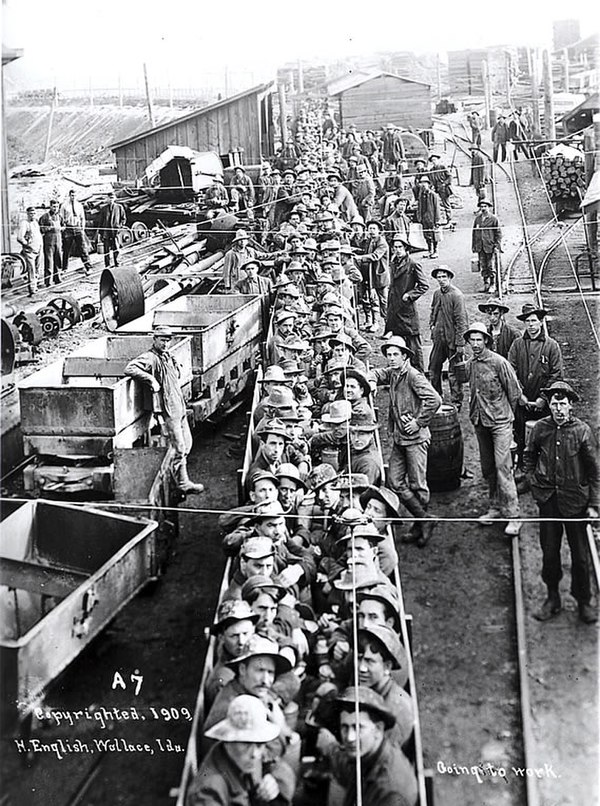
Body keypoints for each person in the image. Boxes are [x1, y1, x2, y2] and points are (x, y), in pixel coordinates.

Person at [524, 381, 599, 624]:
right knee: (549, 553)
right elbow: (528, 456)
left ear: (570, 406)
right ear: (550, 405)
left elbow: (595, 471)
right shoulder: (541, 429)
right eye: (554, 404)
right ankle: (552, 598)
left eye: (563, 404)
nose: (558, 409)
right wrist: (534, 483)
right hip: (548, 501)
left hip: (575, 503)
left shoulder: (582, 431)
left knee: (580, 556)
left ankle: (584, 600)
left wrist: (593, 504)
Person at [372, 335, 441, 547]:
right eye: (389, 355)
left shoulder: (413, 376)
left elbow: (435, 399)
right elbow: (376, 372)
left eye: (395, 355)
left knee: (418, 485)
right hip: (400, 439)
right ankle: (424, 520)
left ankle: (421, 525)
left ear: (404, 357)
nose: (391, 358)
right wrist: (373, 380)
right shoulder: (394, 374)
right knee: (393, 480)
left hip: (416, 440)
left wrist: (419, 422)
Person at [124, 325, 205, 495]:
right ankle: (179, 483)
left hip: (179, 406)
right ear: (154, 339)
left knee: (187, 444)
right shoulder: (150, 357)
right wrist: (150, 379)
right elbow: (130, 368)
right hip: (169, 410)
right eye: (162, 340)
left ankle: (178, 480)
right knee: (179, 447)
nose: (166, 343)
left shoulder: (168, 356)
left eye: (168, 340)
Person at [464, 322, 522, 536]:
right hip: (480, 422)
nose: (476, 344)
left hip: (500, 423)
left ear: (487, 340)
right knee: (488, 467)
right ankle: (495, 507)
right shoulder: (471, 364)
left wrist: (508, 419)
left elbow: (514, 392)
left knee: (502, 467)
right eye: (473, 340)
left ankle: (514, 515)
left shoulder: (499, 363)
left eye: (480, 339)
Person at [186, 694, 295, 806]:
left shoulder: (239, 759)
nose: (255, 754)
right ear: (228, 740)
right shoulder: (209, 793)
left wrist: (270, 789)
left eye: (260, 744)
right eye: (246, 743)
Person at [326, 686, 418, 806]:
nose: (349, 737)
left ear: (378, 729)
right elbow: (349, 770)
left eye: (358, 728)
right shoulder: (371, 753)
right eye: (345, 727)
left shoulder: (390, 791)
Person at [508, 303, 564, 470]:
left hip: (543, 404)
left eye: (534, 321)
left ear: (541, 322)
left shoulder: (551, 346)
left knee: (544, 437)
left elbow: (557, 375)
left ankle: (543, 471)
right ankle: (524, 470)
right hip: (523, 402)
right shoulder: (517, 345)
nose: (531, 325)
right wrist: (519, 395)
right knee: (520, 435)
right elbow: (511, 372)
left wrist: (544, 398)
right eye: (528, 321)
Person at [384, 236, 429, 372]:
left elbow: (424, 285)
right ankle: (398, 375)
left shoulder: (413, 264)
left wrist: (409, 295)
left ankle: (419, 376)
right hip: (394, 310)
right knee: (397, 345)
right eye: (395, 247)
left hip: (407, 312)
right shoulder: (393, 263)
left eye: (400, 247)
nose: (397, 250)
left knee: (414, 347)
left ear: (406, 248)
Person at [428, 266, 468, 410]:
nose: (441, 280)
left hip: (452, 340)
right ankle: (436, 398)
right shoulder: (437, 294)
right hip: (439, 340)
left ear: (450, 278)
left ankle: (456, 402)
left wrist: (460, 343)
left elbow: (461, 321)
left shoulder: (457, 295)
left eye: (444, 277)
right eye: (439, 277)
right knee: (433, 368)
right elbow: (433, 310)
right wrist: (432, 327)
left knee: (454, 373)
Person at [354, 220, 389, 333]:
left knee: (382, 301)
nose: (372, 231)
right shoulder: (368, 241)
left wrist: (360, 258)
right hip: (367, 275)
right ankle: (370, 321)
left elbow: (375, 256)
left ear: (379, 230)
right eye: (370, 229)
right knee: (366, 298)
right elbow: (362, 249)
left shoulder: (382, 243)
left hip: (379, 276)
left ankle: (386, 326)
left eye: (374, 229)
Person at [471, 198, 502, 293]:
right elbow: (474, 233)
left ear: (489, 207)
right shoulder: (478, 219)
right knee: (483, 266)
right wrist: (474, 246)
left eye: (485, 206)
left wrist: (497, 246)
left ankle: (493, 284)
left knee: (491, 266)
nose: (483, 208)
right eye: (482, 206)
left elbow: (498, 233)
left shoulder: (493, 219)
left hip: (490, 246)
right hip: (480, 247)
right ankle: (486, 284)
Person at [60, 189, 93, 275]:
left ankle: (88, 267)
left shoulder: (79, 206)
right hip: (69, 229)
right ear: (69, 196)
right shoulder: (64, 206)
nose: (73, 197)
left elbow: (82, 218)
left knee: (83, 249)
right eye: (71, 196)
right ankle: (64, 268)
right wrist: (63, 225)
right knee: (66, 249)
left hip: (78, 228)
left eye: (74, 196)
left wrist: (82, 228)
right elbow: (61, 218)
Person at [97, 190, 127, 268]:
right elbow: (101, 221)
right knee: (106, 249)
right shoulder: (104, 209)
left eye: (112, 198)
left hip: (115, 232)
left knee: (116, 248)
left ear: (115, 198)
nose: (111, 199)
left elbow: (123, 219)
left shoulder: (119, 207)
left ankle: (117, 263)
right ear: (107, 199)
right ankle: (107, 264)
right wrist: (100, 233)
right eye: (109, 198)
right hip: (106, 232)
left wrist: (120, 227)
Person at [17, 206, 43, 296]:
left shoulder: (36, 222)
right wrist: (27, 244)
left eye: (34, 213)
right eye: (31, 213)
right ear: (27, 214)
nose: (33, 215)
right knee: (31, 270)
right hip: (30, 251)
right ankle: (32, 288)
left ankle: (35, 286)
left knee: (37, 268)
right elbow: (20, 238)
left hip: (38, 249)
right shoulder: (25, 223)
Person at [38, 199, 64, 286]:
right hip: (49, 241)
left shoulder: (60, 217)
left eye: (57, 207)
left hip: (58, 240)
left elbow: (64, 226)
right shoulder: (45, 217)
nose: (55, 208)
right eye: (53, 207)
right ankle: (48, 281)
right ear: (50, 206)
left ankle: (57, 279)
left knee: (58, 259)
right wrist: (49, 228)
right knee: (49, 261)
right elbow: (41, 229)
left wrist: (62, 228)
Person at [415, 176, 441, 259]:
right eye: (422, 183)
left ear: (428, 184)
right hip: (424, 218)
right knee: (426, 235)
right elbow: (419, 207)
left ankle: (435, 251)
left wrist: (437, 220)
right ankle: (429, 250)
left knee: (434, 235)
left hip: (431, 218)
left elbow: (437, 208)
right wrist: (419, 217)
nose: (423, 185)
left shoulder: (433, 195)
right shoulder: (421, 195)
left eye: (425, 183)